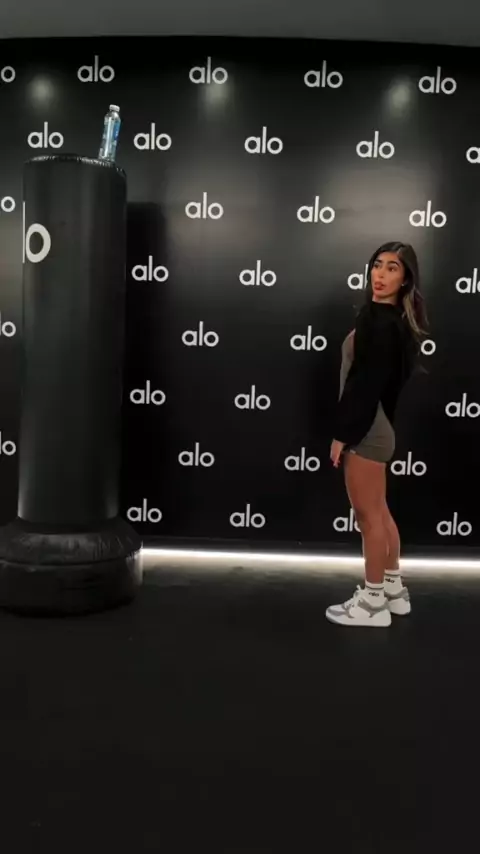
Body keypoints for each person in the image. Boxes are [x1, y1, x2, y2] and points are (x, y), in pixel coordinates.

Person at [326, 241, 427, 628]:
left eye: (392, 268)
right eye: (378, 265)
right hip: (377, 427)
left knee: (369, 519)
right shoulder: (393, 321)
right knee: (380, 513)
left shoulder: (379, 321)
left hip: (366, 428)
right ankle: (393, 591)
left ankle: (371, 604)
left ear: (405, 280)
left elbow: (364, 387)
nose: (380, 275)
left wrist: (342, 434)